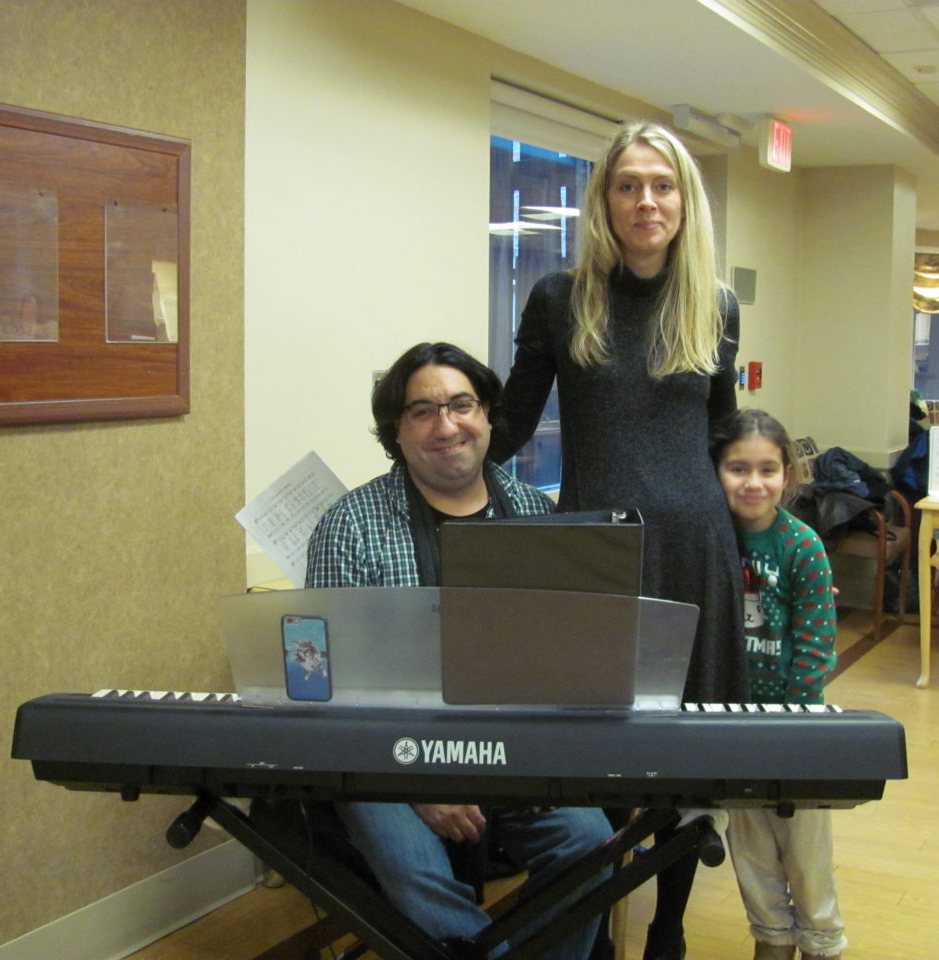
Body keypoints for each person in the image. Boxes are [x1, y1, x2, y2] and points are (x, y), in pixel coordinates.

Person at [488, 120, 747, 959]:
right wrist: (432, 441)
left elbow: (718, 432)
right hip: (594, 554)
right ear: (603, 199)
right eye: (628, 184)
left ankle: (667, 928)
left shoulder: (716, 304)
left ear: (685, 201)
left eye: (662, 185)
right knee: (596, 756)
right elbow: (511, 426)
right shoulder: (559, 299)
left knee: (679, 757)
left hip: (695, 551)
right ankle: (593, 927)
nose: (646, 201)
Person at [305, 341, 611, 960]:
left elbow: (557, 658)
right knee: (418, 877)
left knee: (591, 845)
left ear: (489, 414)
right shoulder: (351, 525)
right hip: (387, 756)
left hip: (511, 745)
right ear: (396, 430)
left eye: (460, 405)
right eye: (422, 411)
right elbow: (331, 683)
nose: (445, 426)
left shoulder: (532, 511)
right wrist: (418, 779)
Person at [709, 408, 846, 960]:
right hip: (732, 726)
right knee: (751, 849)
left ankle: (821, 940)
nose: (753, 482)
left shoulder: (802, 546)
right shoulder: (712, 540)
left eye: (767, 469)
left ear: (787, 474)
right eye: (737, 468)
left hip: (794, 729)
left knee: (806, 852)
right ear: (715, 471)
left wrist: (790, 723)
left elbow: (814, 647)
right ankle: (771, 939)